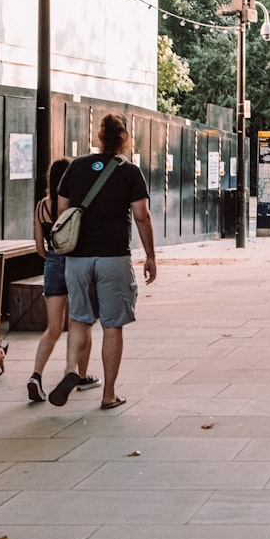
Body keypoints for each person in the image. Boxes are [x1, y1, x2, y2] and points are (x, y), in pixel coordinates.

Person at [48, 112, 157, 410]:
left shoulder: (77, 167)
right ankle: (108, 394)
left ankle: (72, 369)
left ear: (98, 136)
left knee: (80, 319)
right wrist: (150, 256)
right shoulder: (130, 172)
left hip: (78, 258)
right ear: (125, 139)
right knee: (112, 326)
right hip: (113, 257)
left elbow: (62, 211)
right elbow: (141, 216)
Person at [26, 157, 99, 402]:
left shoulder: (41, 207)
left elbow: (39, 246)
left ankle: (36, 375)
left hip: (52, 263)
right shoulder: (75, 204)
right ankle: (82, 375)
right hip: (76, 262)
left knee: (53, 328)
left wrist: (52, 259)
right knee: (82, 322)